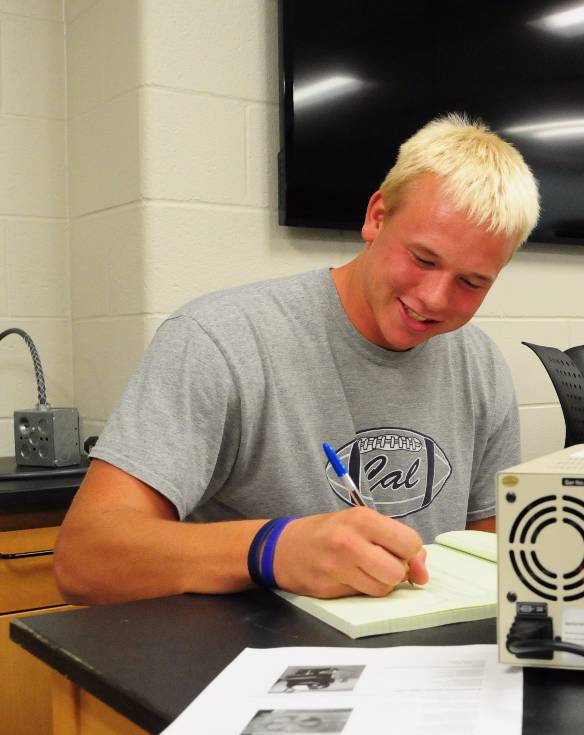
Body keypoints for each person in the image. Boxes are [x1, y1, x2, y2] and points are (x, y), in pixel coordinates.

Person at [54, 114, 540, 604]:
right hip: (247, 664)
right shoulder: (220, 339)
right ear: (376, 216)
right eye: (423, 259)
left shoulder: (480, 365)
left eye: (472, 283)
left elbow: (485, 560)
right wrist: (273, 550)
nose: (435, 298)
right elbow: (85, 559)